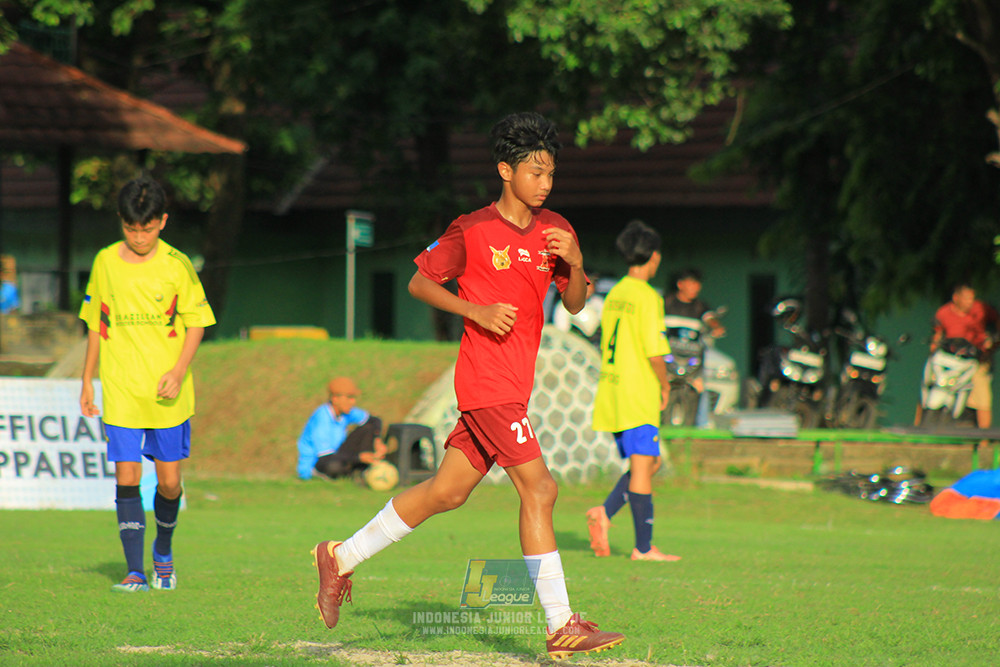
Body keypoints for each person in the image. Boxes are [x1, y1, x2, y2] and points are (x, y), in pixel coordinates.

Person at [310, 112, 624, 660]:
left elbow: (574, 304)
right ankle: (560, 625)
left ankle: (339, 557)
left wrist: (574, 263)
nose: (545, 182)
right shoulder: (473, 229)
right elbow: (420, 282)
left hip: (512, 385)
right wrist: (474, 310)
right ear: (506, 171)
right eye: (535, 172)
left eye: (551, 172)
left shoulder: (559, 231)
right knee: (541, 489)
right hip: (486, 382)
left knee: (447, 492)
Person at [79, 176, 215, 593]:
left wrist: (178, 371)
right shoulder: (105, 262)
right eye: (131, 228)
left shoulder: (177, 264)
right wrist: (86, 379)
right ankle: (135, 570)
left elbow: (196, 323)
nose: (139, 237)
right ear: (122, 222)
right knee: (127, 477)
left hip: (167, 391)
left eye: (148, 228)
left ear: (163, 222)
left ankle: (164, 551)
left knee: (170, 482)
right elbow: (96, 325)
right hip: (120, 388)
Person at [588, 220, 681, 563]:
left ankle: (604, 512)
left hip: (612, 390)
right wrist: (665, 383)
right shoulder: (647, 297)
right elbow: (655, 350)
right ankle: (643, 548)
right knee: (644, 467)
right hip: (637, 391)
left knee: (649, 463)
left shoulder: (615, 293)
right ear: (654, 257)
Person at [927, 283, 999, 429]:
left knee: (982, 395)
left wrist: (991, 346)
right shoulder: (944, 313)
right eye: (966, 299)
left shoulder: (981, 309)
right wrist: (934, 348)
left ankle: (985, 439)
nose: (970, 302)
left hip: (976, 360)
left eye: (971, 298)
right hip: (949, 360)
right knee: (930, 384)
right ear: (956, 298)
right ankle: (918, 431)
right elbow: (938, 334)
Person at [663, 267, 725, 426]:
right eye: (691, 283)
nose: (695, 288)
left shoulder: (700, 307)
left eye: (697, 284)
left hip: (692, 364)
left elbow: (710, 319)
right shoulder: (666, 303)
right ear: (680, 284)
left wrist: (716, 327)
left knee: (699, 390)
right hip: (668, 363)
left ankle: (699, 427)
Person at [297, 377, 387, 480]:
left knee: (368, 428)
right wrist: (359, 457)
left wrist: (377, 440)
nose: (352, 402)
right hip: (318, 462)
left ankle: (362, 470)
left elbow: (375, 421)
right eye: (349, 397)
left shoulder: (346, 412)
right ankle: (351, 472)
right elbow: (325, 456)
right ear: (335, 399)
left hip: (337, 455)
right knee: (334, 466)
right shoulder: (321, 419)